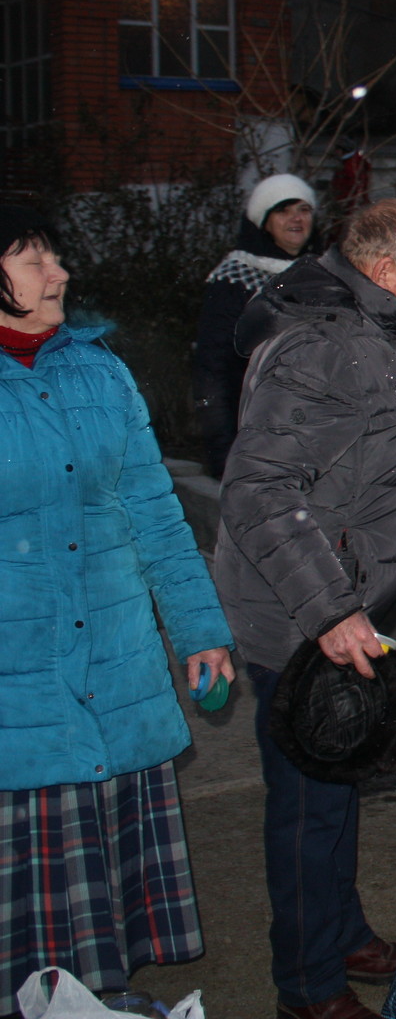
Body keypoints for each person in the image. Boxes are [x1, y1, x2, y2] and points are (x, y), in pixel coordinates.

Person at [213, 198, 396, 1019]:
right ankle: (308, 989)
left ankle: (339, 933)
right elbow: (259, 490)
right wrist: (330, 612)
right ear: (385, 272)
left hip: (346, 601)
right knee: (310, 807)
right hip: (302, 617)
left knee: (336, 790)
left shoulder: (374, 327)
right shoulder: (322, 347)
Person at [0, 207, 236, 1009]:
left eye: (55, 257)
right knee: (29, 914)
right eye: (34, 261)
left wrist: (199, 630)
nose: (59, 273)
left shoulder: (99, 372)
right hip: (19, 688)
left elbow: (155, 512)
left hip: (116, 666)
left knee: (94, 904)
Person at [193, 173, 322, 478]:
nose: (296, 219)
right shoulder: (236, 278)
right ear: (264, 221)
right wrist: (223, 452)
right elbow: (214, 366)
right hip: (257, 432)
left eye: (304, 210)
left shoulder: (324, 273)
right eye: (283, 210)